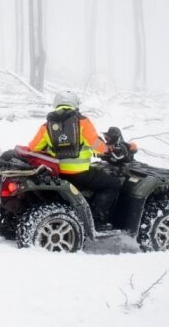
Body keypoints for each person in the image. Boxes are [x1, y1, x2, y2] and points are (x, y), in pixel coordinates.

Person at [27, 90, 122, 227]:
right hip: (81, 173)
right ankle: (97, 218)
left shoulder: (47, 126)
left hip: (59, 174)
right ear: (74, 103)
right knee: (112, 184)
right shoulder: (82, 121)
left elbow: (33, 147)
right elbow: (96, 145)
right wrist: (109, 149)